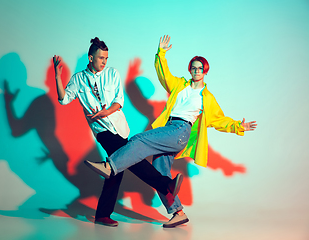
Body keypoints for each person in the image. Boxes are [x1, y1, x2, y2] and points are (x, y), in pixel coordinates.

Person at [85, 35, 257, 228]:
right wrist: (161, 54)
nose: (196, 70)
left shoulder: (206, 98)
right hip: (169, 129)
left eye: (200, 68)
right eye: (193, 67)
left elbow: (219, 120)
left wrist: (238, 126)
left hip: (180, 131)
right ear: (190, 69)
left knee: (138, 140)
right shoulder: (180, 86)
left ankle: (111, 166)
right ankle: (178, 212)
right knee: (160, 171)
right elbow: (164, 74)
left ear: (205, 71)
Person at [54, 37, 183, 227]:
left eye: (106, 58)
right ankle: (165, 184)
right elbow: (64, 99)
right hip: (102, 130)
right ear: (90, 58)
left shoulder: (112, 73)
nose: (104, 62)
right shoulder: (79, 79)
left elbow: (119, 100)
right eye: (101, 58)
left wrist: (107, 111)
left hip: (120, 127)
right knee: (132, 160)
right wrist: (58, 76)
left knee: (117, 169)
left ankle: (102, 215)